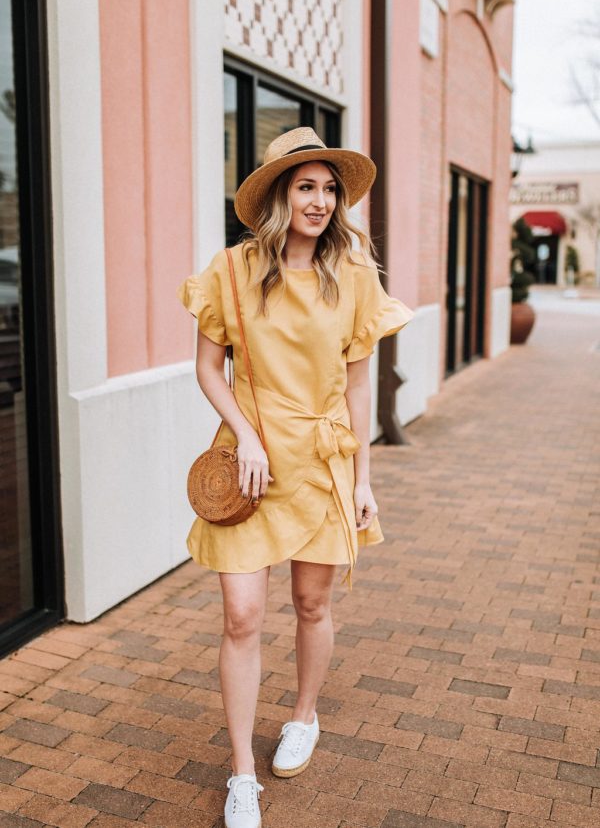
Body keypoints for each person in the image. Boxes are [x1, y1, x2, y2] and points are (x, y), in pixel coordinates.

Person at [177, 126, 414, 828]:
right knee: (242, 615)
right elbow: (206, 368)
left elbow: (359, 388)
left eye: (329, 188)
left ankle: (304, 715)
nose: (319, 200)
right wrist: (246, 434)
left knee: (312, 606)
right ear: (280, 193)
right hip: (249, 467)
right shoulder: (231, 270)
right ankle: (241, 774)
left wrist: (364, 477)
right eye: (305, 186)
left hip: (321, 463)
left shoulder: (355, 277)